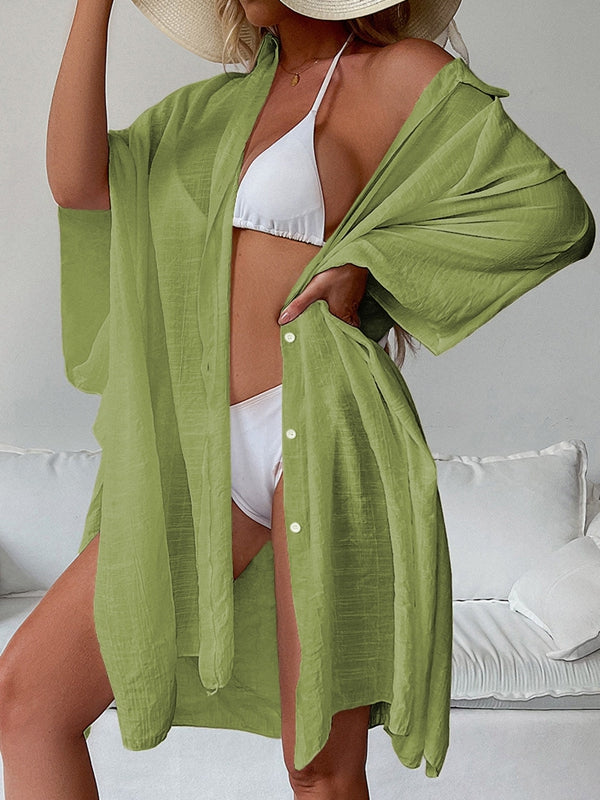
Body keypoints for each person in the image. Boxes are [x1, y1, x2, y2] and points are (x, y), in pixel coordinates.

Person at [0, 1, 594, 798]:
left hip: (323, 426)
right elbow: (77, 184)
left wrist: (371, 265)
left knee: (319, 765)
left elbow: (551, 213)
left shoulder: (398, 75)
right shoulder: (210, 111)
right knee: (28, 701)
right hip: (204, 448)